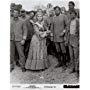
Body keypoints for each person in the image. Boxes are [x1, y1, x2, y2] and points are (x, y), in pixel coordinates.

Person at [66, 11, 79, 75]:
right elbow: (67, 31)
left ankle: (77, 69)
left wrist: (79, 39)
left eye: (73, 14)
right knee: (71, 55)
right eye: (70, 14)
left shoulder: (78, 21)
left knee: (76, 55)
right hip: (70, 38)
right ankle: (72, 68)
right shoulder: (69, 21)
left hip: (75, 39)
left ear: (75, 15)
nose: (71, 15)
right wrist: (67, 39)